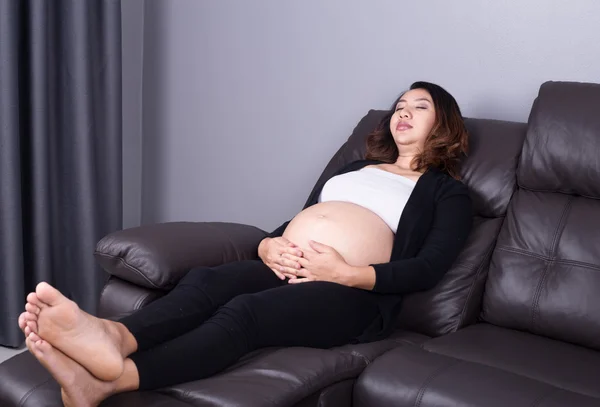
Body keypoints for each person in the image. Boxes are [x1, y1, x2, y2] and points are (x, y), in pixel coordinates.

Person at [17, 81, 473, 407]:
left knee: (244, 313)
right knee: (206, 281)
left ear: (444, 125)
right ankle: (114, 336)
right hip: (286, 265)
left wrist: (346, 273)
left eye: (420, 106)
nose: (403, 112)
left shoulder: (445, 191)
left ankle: (111, 383)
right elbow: (302, 219)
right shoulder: (353, 170)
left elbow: (429, 266)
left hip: (352, 295)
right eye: (398, 105)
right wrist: (267, 246)